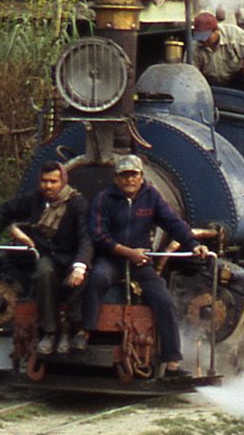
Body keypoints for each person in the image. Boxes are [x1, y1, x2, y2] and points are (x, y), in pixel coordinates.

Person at [80, 154, 211, 377]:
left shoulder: (152, 197)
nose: (129, 180)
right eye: (124, 176)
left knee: (163, 300)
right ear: (116, 179)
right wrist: (127, 252)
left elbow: (172, 222)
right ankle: (85, 333)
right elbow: (99, 235)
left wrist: (194, 243)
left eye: (133, 175)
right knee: (97, 278)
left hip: (141, 263)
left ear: (141, 177)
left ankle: (172, 363)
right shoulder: (104, 199)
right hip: (112, 258)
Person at [0, 162, 93, 354]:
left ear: (63, 182)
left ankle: (69, 329)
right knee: (43, 272)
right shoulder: (35, 201)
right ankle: (49, 331)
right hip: (47, 255)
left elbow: (86, 237)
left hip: (71, 257)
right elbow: (6, 209)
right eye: (44, 181)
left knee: (79, 281)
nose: (48, 186)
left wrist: (80, 266)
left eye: (53, 182)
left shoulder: (77, 204)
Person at [190, 11, 244, 86]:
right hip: (209, 83)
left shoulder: (233, 33)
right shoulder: (195, 45)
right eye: (200, 37)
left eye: (206, 37)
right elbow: (191, 73)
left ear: (216, 30)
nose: (204, 41)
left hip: (236, 79)